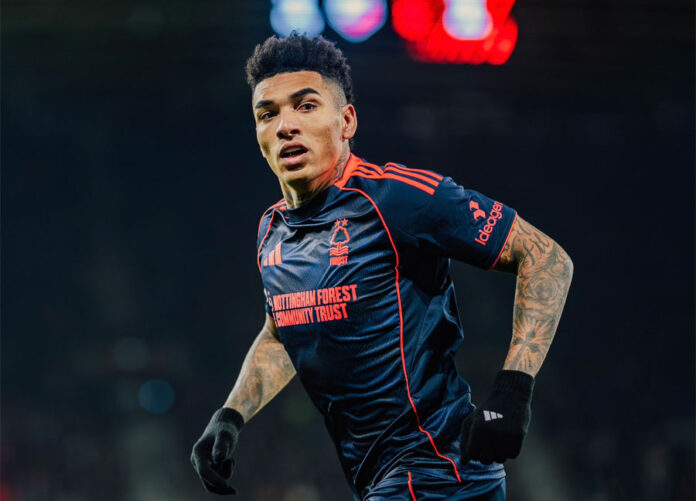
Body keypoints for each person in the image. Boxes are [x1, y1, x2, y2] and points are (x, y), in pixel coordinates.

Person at [191, 34, 573, 500]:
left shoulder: (399, 198)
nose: (286, 125)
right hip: (379, 478)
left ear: (346, 121)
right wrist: (231, 415)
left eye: (306, 106)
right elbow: (281, 332)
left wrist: (513, 389)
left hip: (438, 469)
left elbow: (545, 256)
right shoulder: (271, 231)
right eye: (267, 114)